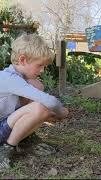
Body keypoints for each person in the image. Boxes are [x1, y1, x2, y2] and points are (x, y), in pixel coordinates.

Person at [0, 34, 69, 171]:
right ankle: (7, 149)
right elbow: (49, 102)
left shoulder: (20, 79)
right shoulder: (8, 79)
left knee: (37, 87)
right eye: (39, 65)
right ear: (23, 60)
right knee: (40, 107)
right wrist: (62, 112)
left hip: (5, 123)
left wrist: (48, 114)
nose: (42, 70)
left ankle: (26, 140)